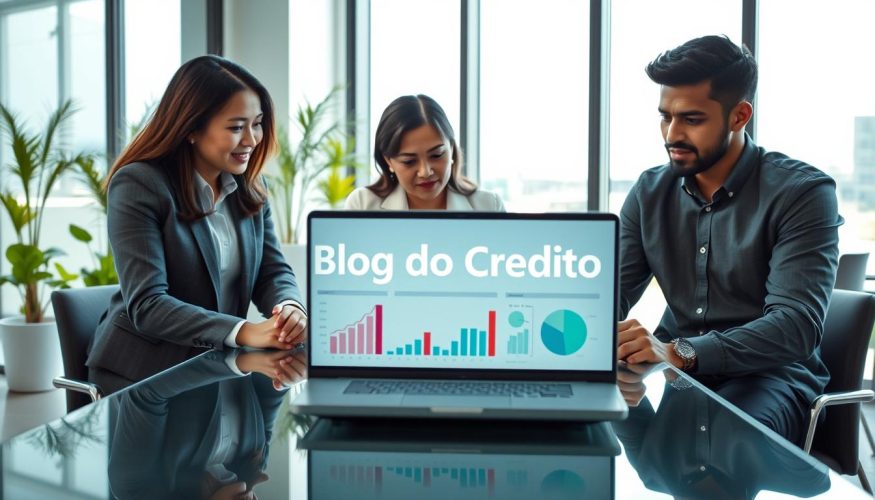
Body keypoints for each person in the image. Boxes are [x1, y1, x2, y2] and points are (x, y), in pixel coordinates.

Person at [616, 35, 841, 444]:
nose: (672, 134)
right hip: (677, 380)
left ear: (739, 116)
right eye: (665, 117)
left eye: (692, 119)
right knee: (598, 429)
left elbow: (795, 327)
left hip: (771, 379)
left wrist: (679, 351)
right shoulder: (649, 192)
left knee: (727, 439)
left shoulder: (802, 193)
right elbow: (608, 298)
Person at [87, 55, 307, 394]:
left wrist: (289, 308)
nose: (252, 139)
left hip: (215, 367)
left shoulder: (249, 186)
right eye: (236, 127)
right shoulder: (139, 184)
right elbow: (148, 305)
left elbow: (272, 272)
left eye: (257, 123)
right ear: (191, 128)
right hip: (143, 375)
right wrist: (246, 331)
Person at [344, 94, 505, 211]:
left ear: (451, 150)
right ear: (388, 161)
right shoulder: (362, 205)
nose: (425, 172)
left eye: (436, 155)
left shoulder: (489, 206)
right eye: (409, 161)